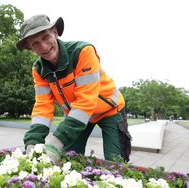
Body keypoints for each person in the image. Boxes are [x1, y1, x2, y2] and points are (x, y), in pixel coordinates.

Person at [16, 15, 131, 163]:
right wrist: (33, 141)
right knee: (71, 159)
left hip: (110, 110)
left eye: (46, 37)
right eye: (35, 44)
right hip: (79, 116)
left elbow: (86, 101)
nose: (43, 46)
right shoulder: (38, 70)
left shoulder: (82, 52)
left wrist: (57, 140)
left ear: (55, 33)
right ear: (30, 48)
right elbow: (42, 107)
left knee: (115, 162)